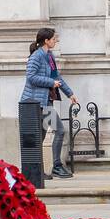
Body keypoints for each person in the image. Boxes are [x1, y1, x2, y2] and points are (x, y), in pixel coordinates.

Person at [20, 27, 79, 179]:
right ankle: (54, 166)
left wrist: (69, 93)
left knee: (41, 135)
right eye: (53, 39)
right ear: (46, 41)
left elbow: (56, 76)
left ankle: (40, 170)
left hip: (46, 102)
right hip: (36, 103)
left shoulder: (49, 56)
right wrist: (51, 82)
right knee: (57, 131)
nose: (56, 41)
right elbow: (31, 77)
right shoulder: (36, 57)